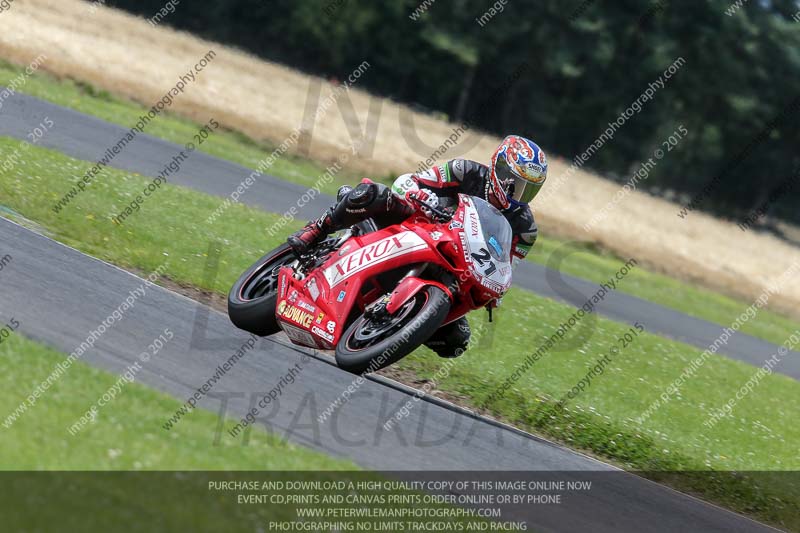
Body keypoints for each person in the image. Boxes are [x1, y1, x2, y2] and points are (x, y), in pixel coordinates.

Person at [288, 135, 547, 357]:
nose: (520, 195)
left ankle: (398, 328)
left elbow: (507, 264)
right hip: (416, 223)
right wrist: (421, 194)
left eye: (529, 191)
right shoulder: (465, 170)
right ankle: (316, 230)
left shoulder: (526, 229)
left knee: (456, 341)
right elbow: (409, 181)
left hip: (456, 265)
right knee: (372, 193)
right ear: (499, 170)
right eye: (517, 185)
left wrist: (494, 294)